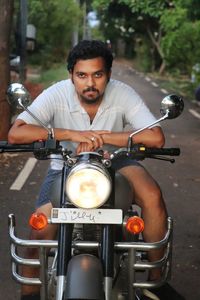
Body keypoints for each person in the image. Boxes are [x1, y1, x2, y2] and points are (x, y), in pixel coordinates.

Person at [8, 40, 184, 300]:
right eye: (81, 75)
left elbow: (155, 138)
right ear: (71, 75)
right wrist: (70, 134)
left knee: (152, 195)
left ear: (108, 75)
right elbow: (16, 133)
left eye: (97, 74)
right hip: (65, 164)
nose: (89, 83)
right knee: (39, 232)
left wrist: (108, 138)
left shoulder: (122, 93)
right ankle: (30, 294)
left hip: (117, 162)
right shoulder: (57, 93)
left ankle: (155, 283)